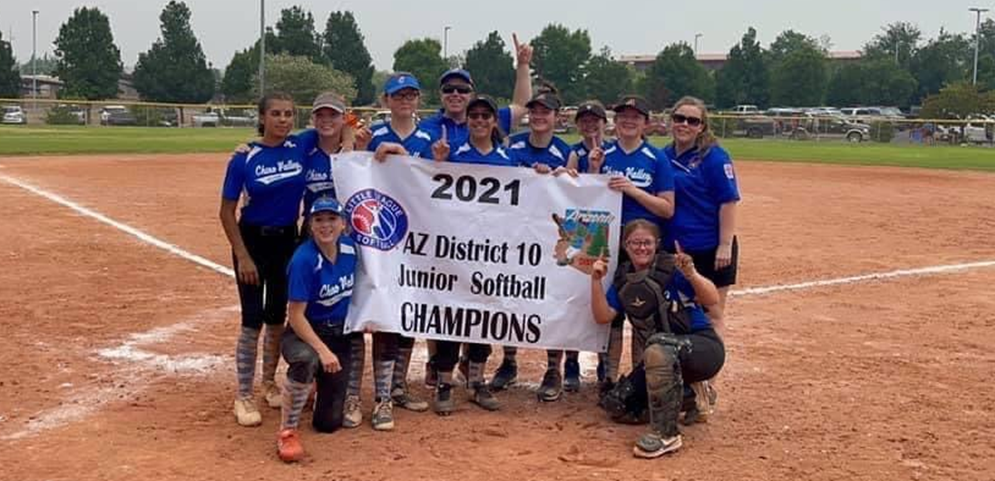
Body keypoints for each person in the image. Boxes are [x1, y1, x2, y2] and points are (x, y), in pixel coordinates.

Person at [340, 73, 434, 430]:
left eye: (411, 94)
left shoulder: (427, 137)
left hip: (413, 240)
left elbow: (433, 183)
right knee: (362, 311)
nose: (405, 101)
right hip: (375, 234)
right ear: (386, 100)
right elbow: (353, 176)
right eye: (398, 95)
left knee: (400, 313)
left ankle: (389, 392)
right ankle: (353, 394)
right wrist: (359, 146)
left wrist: (404, 156)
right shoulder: (374, 135)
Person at [219, 92, 318, 427]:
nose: (283, 120)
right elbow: (226, 211)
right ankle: (244, 394)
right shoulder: (246, 157)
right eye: (275, 113)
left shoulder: (300, 147)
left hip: (287, 240)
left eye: (289, 114)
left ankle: (268, 382)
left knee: (277, 316)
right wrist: (243, 256)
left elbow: (337, 131)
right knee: (252, 318)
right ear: (262, 117)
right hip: (253, 241)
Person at [590, 219, 724, 458]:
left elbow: (712, 299)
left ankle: (666, 434)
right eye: (635, 243)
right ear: (625, 245)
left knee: (657, 347)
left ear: (657, 244)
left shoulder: (672, 268)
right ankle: (691, 396)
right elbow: (603, 316)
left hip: (701, 347)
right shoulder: (623, 280)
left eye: (647, 243)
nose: (642, 248)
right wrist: (596, 280)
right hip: (661, 356)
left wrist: (691, 274)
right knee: (617, 405)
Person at [427, 95, 515, 415]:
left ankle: (476, 381)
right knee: (453, 316)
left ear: (494, 121)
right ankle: (445, 383)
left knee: (485, 316)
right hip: (456, 249)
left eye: (485, 115)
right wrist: (438, 165)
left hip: (493, 252)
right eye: (474, 115)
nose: (479, 120)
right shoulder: (455, 155)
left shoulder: (508, 159)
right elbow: (432, 192)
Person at [490, 87, 579, 401]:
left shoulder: (565, 151)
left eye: (546, 111)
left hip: (549, 235)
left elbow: (575, 197)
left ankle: (553, 367)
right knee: (512, 294)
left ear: (557, 116)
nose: (539, 116)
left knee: (552, 297)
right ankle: (509, 360)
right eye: (535, 111)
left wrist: (561, 177)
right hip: (513, 233)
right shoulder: (511, 144)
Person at [596, 95, 676, 394]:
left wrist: (633, 190)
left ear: (645, 122)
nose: (628, 121)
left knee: (643, 315)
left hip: (642, 249)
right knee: (611, 316)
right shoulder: (602, 154)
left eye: (635, 116)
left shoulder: (656, 158)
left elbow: (667, 208)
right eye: (623, 116)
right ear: (615, 122)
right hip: (608, 244)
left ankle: (641, 380)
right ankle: (609, 378)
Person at [276, 198, 358, 462]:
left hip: (339, 334)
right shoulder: (304, 260)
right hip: (306, 332)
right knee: (306, 360)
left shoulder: (350, 250)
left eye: (332, 219)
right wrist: (322, 351)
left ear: (343, 224)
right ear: (310, 225)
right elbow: (296, 316)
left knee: (328, 424)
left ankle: (312, 387)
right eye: (319, 220)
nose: (326, 226)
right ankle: (287, 430)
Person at [662, 96, 740, 328]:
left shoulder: (714, 157)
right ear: (671, 121)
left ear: (701, 127)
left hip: (710, 249)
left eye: (692, 121)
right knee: (676, 314)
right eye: (679, 118)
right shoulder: (663, 156)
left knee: (711, 316)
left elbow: (728, 201)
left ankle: (710, 363)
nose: (684, 124)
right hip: (675, 249)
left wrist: (724, 244)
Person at [419, 34, 532, 147]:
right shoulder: (425, 127)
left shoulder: (487, 119)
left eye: (462, 90)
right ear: (440, 94)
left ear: (472, 94)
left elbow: (522, 106)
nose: (455, 94)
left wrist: (523, 65)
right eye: (448, 89)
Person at [567, 100, 612, 174]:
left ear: (604, 123)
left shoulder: (612, 150)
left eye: (595, 120)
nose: (590, 124)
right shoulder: (573, 153)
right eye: (584, 121)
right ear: (577, 125)